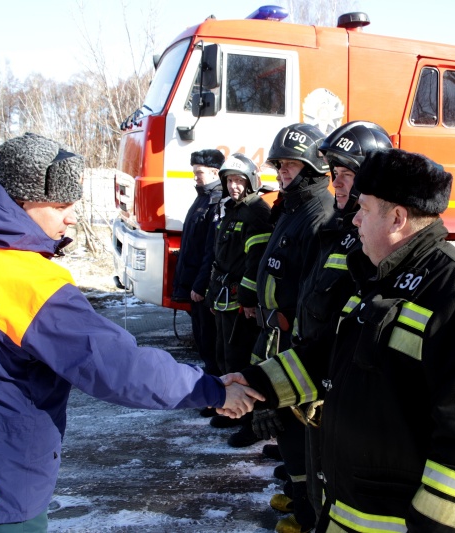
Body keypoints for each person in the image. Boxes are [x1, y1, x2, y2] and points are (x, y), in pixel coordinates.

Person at [0, 133, 263, 532]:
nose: (73, 216)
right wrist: (213, 390)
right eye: (61, 205)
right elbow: (119, 368)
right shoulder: (26, 285)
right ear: (21, 202)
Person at [315, 148, 455, 533]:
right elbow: (331, 356)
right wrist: (256, 384)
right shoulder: (379, 275)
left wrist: (434, 527)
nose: (354, 219)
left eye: (365, 208)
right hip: (359, 510)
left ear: (397, 218)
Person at [237, 121, 393, 529]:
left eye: (346, 176)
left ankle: (310, 514)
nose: (336, 184)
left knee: (328, 467)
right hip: (306, 364)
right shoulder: (333, 227)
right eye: (334, 175)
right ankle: (308, 509)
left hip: (330, 381)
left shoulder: (358, 237)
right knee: (308, 456)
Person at [243, 123, 334, 533]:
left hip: (291, 340)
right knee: (285, 428)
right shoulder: (293, 209)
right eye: (279, 164)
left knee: (299, 431)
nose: (281, 171)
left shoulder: (318, 216)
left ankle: (307, 514)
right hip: (273, 336)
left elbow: (312, 292)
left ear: (314, 167)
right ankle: (299, 501)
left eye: (289, 164)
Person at [205, 153, 272, 434]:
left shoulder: (256, 212)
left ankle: (246, 419)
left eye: (239, 180)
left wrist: (246, 299)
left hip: (238, 300)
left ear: (251, 182)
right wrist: (211, 293)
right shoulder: (233, 209)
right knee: (222, 352)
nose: (233, 186)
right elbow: (221, 257)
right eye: (229, 180)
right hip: (222, 295)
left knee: (238, 357)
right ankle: (228, 407)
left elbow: (255, 261)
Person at [172, 148, 225, 416]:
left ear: (215, 172)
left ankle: (217, 399)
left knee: (211, 344)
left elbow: (210, 250)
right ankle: (211, 396)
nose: (195, 177)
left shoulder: (216, 202)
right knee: (205, 344)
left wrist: (200, 285)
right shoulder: (203, 198)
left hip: (202, 288)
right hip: (194, 282)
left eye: (199, 173)